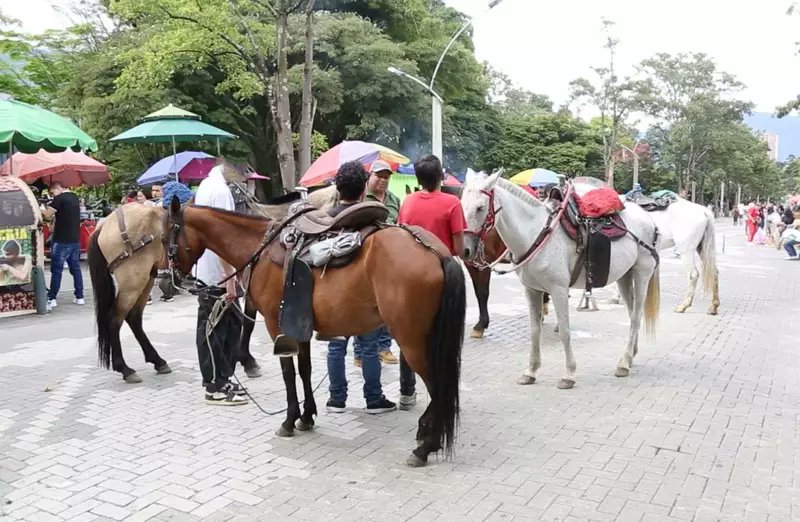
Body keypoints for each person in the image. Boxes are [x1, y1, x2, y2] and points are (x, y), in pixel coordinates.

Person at [395, 154, 467, 410]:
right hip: (444, 273)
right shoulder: (452, 203)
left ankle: (406, 392)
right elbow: (458, 247)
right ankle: (446, 394)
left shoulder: (408, 201)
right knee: (445, 335)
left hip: (409, 276)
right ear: (441, 177)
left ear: (418, 178)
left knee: (406, 333)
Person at [325, 161, 396, 414]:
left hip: (332, 299)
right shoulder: (373, 218)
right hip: (364, 299)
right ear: (363, 186)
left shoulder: (325, 220)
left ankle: (336, 399)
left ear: (338, 186)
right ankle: (374, 399)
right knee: (369, 348)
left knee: (336, 347)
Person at [192, 159, 248, 406]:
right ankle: (214, 386)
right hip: (217, 274)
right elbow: (222, 239)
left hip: (210, 270)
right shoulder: (222, 191)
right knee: (214, 329)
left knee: (230, 326)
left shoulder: (206, 185)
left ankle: (223, 377)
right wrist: (230, 278)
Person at [353, 160, 401, 367]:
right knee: (363, 305)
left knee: (387, 305)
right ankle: (359, 352)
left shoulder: (394, 200)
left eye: (386, 177)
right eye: (378, 176)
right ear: (369, 176)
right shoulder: (361, 198)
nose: (382, 180)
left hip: (389, 259)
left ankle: (384, 346)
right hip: (365, 259)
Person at [41, 182, 84, 311]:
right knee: (76, 269)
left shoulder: (59, 199)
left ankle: (52, 298)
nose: (52, 195)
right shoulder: (75, 197)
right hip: (75, 240)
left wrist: (42, 208)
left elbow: (47, 215)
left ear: (57, 188)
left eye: (52, 192)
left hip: (61, 240)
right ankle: (79, 296)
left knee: (57, 270)